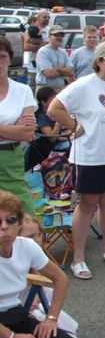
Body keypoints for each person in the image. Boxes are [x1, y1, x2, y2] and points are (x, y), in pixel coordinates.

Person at [48, 42, 105, 280]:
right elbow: (54, 108)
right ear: (99, 61)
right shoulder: (83, 85)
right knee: (87, 202)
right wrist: (74, 126)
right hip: (90, 153)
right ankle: (78, 258)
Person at [0, 190, 77, 338]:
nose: (4, 227)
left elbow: (60, 278)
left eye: (10, 220)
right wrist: (11, 337)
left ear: (18, 223)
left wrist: (51, 318)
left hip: (14, 313)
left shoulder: (26, 246)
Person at [0, 37, 37, 215]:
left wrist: (19, 131)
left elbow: (27, 133)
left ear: (10, 58)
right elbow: (20, 132)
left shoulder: (22, 91)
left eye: (2, 56)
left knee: (26, 218)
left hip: (12, 160)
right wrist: (13, 129)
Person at [35, 25, 74, 94]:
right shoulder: (43, 51)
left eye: (61, 35)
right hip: (45, 89)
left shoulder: (63, 52)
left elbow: (71, 72)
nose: (59, 37)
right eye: (56, 35)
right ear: (49, 36)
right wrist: (64, 71)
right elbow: (49, 73)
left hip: (60, 89)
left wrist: (58, 69)